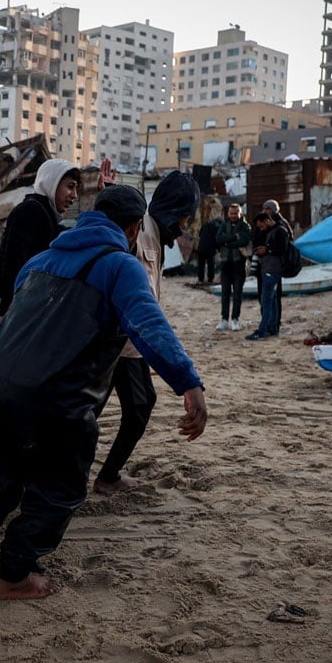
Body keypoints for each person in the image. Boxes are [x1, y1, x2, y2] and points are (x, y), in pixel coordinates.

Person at [0, 185, 208, 600]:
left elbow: (5, 332)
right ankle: (12, 576)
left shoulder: (39, 261)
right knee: (60, 488)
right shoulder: (121, 266)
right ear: (135, 226)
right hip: (56, 398)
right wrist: (188, 382)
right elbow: (149, 324)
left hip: (1, 386)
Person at [93, 170, 200, 495]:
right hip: (117, 344)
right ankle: (77, 475)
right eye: (184, 219)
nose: (184, 227)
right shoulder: (138, 232)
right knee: (88, 412)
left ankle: (106, 475)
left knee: (138, 405)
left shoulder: (155, 236)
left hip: (133, 345)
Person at [0, 158, 82, 354]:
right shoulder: (30, 211)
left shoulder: (48, 217)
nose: (74, 195)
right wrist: (4, 314)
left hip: (15, 314)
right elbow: (13, 265)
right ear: (51, 182)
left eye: (76, 189)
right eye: (70, 187)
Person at [247, 211, 288, 340]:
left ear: (266, 220)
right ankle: (272, 328)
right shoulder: (272, 231)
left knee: (266, 301)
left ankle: (263, 330)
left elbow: (282, 249)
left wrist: (267, 250)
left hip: (272, 269)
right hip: (269, 269)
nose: (261, 229)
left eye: (261, 226)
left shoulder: (280, 230)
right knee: (273, 300)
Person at [251, 199, 293, 319]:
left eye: (267, 208)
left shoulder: (280, 224)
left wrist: (268, 249)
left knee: (273, 296)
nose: (265, 211)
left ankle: (274, 323)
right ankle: (267, 321)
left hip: (274, 265)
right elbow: (255, 238)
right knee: (263, 296)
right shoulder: (262, 223)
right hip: (263, 265)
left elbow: (284, 244)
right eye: (263, 208)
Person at [214, 203, 251, 330]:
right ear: (228, 214)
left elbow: (244, 240)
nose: (233, 216)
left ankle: (235, 319)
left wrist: (227, 242)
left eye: (236, 213)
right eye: (231, 213)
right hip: (225, 264)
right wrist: (234, 237)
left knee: (237, 294)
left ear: (240, 214)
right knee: (225, 293)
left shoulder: (245, 226)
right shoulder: (224, 225)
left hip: (239, 264)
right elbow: (218, 239)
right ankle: (224, 319)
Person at [193, 215, 221, 284]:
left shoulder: (206, 224)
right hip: (210, 248)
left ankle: (200, 279)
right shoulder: (218, 227)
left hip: (201, 247)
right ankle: (210, 279)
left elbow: (200, 234)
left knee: (201, 264)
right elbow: (218, 239)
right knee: (210, 264)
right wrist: (219, 249)